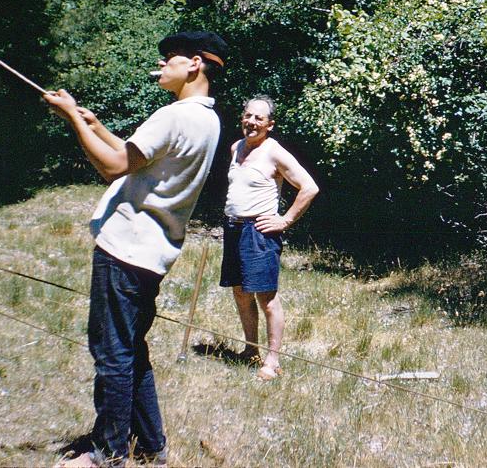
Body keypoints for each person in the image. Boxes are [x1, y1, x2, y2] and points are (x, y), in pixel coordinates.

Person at [44, 31, 228, 467]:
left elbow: (113, 168)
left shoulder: (174, 115)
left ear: (195, 64)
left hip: (125, 249)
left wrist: (71, 117)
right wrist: (95, 126)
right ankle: (151, 446)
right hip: (154, 253)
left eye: (169, 59)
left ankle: (107, 453)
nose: (160, 66)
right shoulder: (207, 120)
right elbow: (137, 158)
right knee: (131, 347)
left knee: (112, 352)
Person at [220, 95, 319, 380]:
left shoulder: (274, 152)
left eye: (258, 118)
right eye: (247, 116)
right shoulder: (235, 147)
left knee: (266, 298)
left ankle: (272, 360)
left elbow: (309, 188)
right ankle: (250, 350)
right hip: (233, 228)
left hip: (259, 233)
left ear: (270, 125)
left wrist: (284, 220)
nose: (251, 122)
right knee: (240, 292)